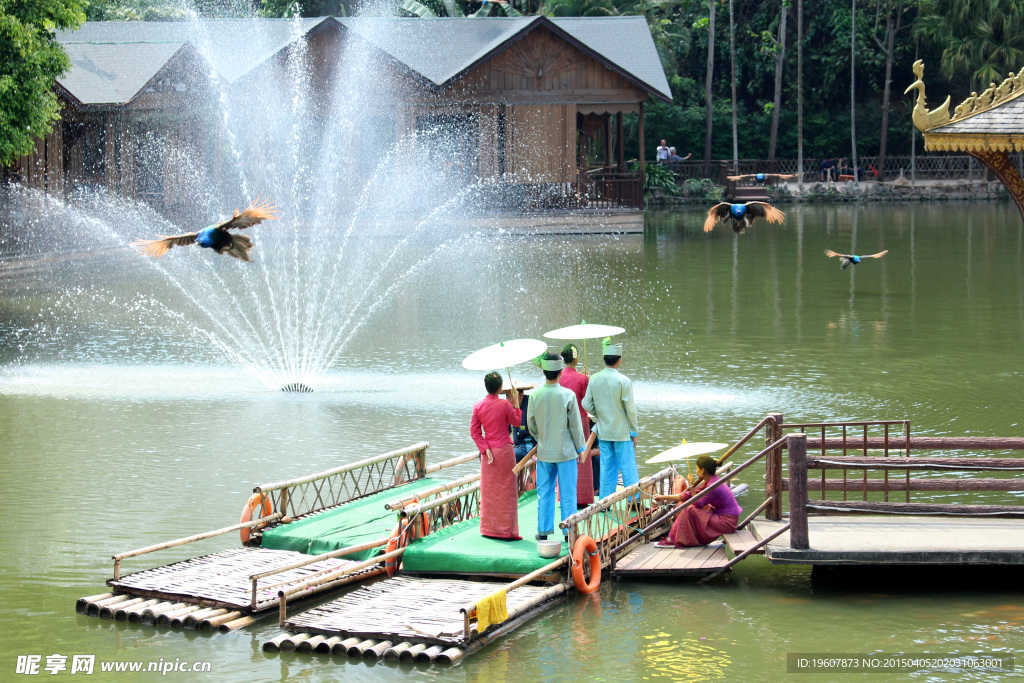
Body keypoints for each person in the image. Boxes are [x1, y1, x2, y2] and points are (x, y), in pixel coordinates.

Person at [527, 351, 587, 540]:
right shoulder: (567, 395)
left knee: (544, 493)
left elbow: (531, 425)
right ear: (560, 372)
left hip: (545, 452)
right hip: (566, 452)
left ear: (544, 372)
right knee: (568, 494)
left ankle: (543, 531)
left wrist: (542, 438)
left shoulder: (535, 395)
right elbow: (576, 426)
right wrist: (581, 448)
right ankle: (568, 532)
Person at [582, 339, 639, 500]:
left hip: (604, 431)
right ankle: (634, 501)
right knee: (628, 468)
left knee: (607, 468)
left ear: (605, 360)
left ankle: (605, 503)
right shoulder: (624, 381)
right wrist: (634, 432)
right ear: (619, 360)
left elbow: (586, 403)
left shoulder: (594, 379)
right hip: (622, 432)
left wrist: (599, 413)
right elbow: (630, 409)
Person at [470, 371, 523, 540]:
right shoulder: (505, 405)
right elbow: (516, 423)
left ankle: (489, 529)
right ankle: (507, 530)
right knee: (507, 490)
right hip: (505, 451)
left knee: (489, 491)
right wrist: (516, 405)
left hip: (489, 454)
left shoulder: (478, 405)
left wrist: (485, 449)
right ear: (500, 388)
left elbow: (475, 432)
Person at [653, 454, 742, 547]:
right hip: (727, 518)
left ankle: (672, 539)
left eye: (697, 469)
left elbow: (698, 503)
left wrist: (691, 485)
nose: (696, 472)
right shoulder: (711, 480)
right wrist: (663, 497)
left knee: (689, 509)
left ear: (702, 470)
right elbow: (688, 495)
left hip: (727, 522)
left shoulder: (713, 485)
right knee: (699, 507)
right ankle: (674, 538)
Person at [557, 343, 594, 507]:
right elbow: (587, 401)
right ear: (576, 359)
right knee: (582, 456)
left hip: (562, 422)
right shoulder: (583, 378)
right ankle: (583, 496)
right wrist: (587, 380)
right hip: (580, 419)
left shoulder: (558, 378)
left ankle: (564, 495)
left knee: (564, 455)